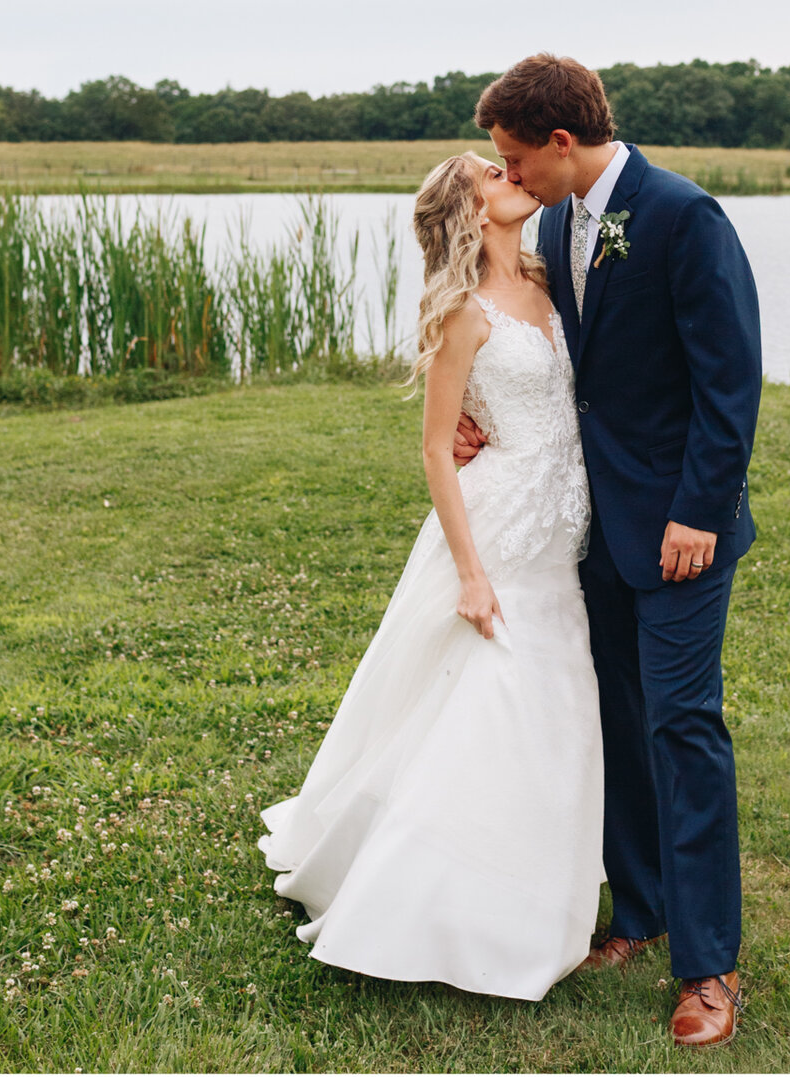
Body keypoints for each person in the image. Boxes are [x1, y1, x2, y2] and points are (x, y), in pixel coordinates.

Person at [462, 53, 764, 1049]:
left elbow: (731, 382)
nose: (509, 179)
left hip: (681, 529)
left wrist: (699, 510)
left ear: (560, 141)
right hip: (589, 523)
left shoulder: (683, 216)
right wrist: (480, 424)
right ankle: (636, 912)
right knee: (619, 719)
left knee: (683, 726)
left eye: (515, 159)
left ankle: (709, 967)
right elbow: (558, 365)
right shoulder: (551, 222)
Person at [259, 152, 604, 1000]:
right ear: (470, 208)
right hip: (502, 529)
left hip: (564, 529)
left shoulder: (549, 273)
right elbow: (434, 446)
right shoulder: (464, 311)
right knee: (492, 699)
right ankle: (439, 903)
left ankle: (538, 882)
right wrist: (471, 572)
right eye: (493, 173)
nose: (512, 173)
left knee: (557, 706)